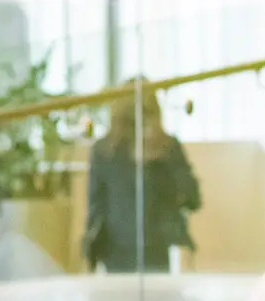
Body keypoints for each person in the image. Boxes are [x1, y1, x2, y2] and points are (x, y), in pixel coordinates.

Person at [83, 87, 202, 273]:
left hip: (157, 247)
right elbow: (96, 208)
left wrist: (162, 158)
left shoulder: (167, 148)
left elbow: (192, 198)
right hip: (117, 250)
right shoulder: (105, 152)